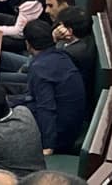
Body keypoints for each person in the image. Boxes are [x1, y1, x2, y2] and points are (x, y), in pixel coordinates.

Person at [18, 19, 85, 155]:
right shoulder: (61, 55)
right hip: (71, 121)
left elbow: (46, 107)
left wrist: (48, 145)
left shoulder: (40, 68)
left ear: (28, 44)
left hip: (61, 133)